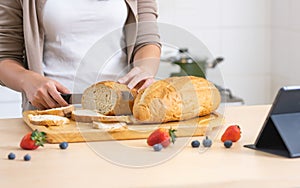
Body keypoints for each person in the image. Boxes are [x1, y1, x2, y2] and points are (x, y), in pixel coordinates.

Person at [0, 0, 161, 111]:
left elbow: (146, 40)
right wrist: (26, 80)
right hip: (53, 113)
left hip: (120, 112)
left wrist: (144, 69)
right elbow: (4, 56)